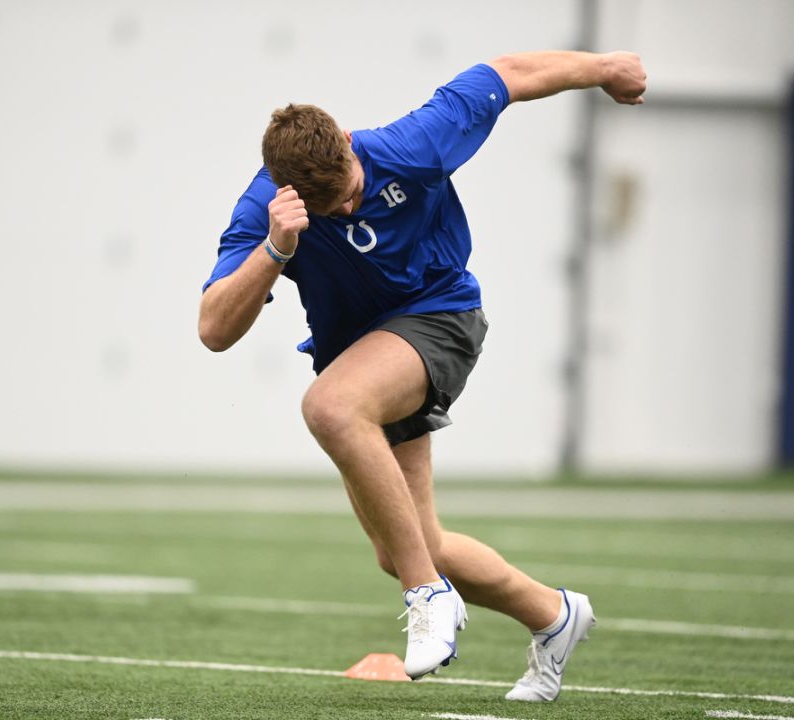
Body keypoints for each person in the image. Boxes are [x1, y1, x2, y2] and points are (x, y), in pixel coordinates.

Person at [199, 50, 647, 700]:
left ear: (350, 143)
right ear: (288, 193)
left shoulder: (410, 146)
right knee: (409, 542)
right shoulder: (269, 210)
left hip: (440, 318)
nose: (350, 208)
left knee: (329, 407)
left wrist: (606, 66)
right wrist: (276, 251)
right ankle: (553, 616)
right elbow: (214, 329)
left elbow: (509, 75)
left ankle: (427, 596)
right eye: (333, 207)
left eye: (353, 188)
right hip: (366, 358)